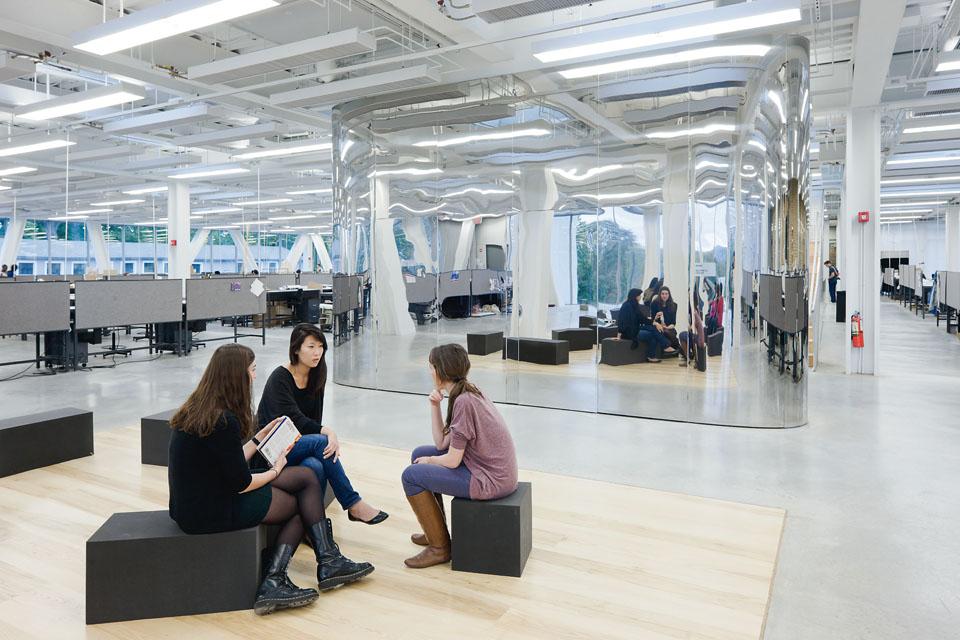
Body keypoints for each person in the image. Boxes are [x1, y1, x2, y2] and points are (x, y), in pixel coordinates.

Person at [168, 344, 373, 615]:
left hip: (194, 504)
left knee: (305, 477)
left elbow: (230, 462)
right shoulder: (224, 420)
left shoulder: (197, 409)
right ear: (236, 376)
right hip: (212, 510)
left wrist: (258, 438)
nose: (254, 376)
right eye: (252, 371)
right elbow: (240, 482)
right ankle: (280, 578)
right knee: (302, 500)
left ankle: (326, 560)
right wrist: (275, 471)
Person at [400, 344, 518, 569]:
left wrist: (432, 461)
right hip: (489, 470)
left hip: (489, 480)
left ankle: (440, 548)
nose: (429, 372)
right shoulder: (466, 392)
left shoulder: (463, 401)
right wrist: (434, 405)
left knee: (411, 476)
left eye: (431, 367)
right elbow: (441, 443)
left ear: (440, 371)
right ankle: (436, 531)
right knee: (419, 454)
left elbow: (452, 460)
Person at [257, 323, 387, 525]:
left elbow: (314, 417)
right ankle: (353, 503)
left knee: (315, 465)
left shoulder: (316, 373)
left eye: (320, 347)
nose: (317, 353)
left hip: (299, 445)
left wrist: (321, 434)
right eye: (311, 347)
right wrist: (327, 432)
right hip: (272, 451)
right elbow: (293, 419)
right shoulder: (280, 377)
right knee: (321, 442)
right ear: (296, 349)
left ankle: (314, 526)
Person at [617, 288, 675, 363]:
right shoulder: (627, 306)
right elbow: (621, 321)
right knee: (652, 333)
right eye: (639, 295)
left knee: (653, 330)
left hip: (635, 328)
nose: (640, 297)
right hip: (629, 332)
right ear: (635, 296)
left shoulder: (633, 305)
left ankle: (656, 352)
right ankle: (664, 346)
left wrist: (654, 322)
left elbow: (641, 318)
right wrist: (619, 334)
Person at [650, 286, 681, 351]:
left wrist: (667, 327)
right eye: (662, 294)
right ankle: (678, 349)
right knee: (662, 332)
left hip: (669, 327)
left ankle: (677, 348)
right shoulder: (654, 304)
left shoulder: (674, 305)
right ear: (659, 294)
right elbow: (652, 320)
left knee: (669, 332)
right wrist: (656, 319)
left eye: (666, 294)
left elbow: (673, 323)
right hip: (658, 327)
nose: (664, 296)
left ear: (669, 295)